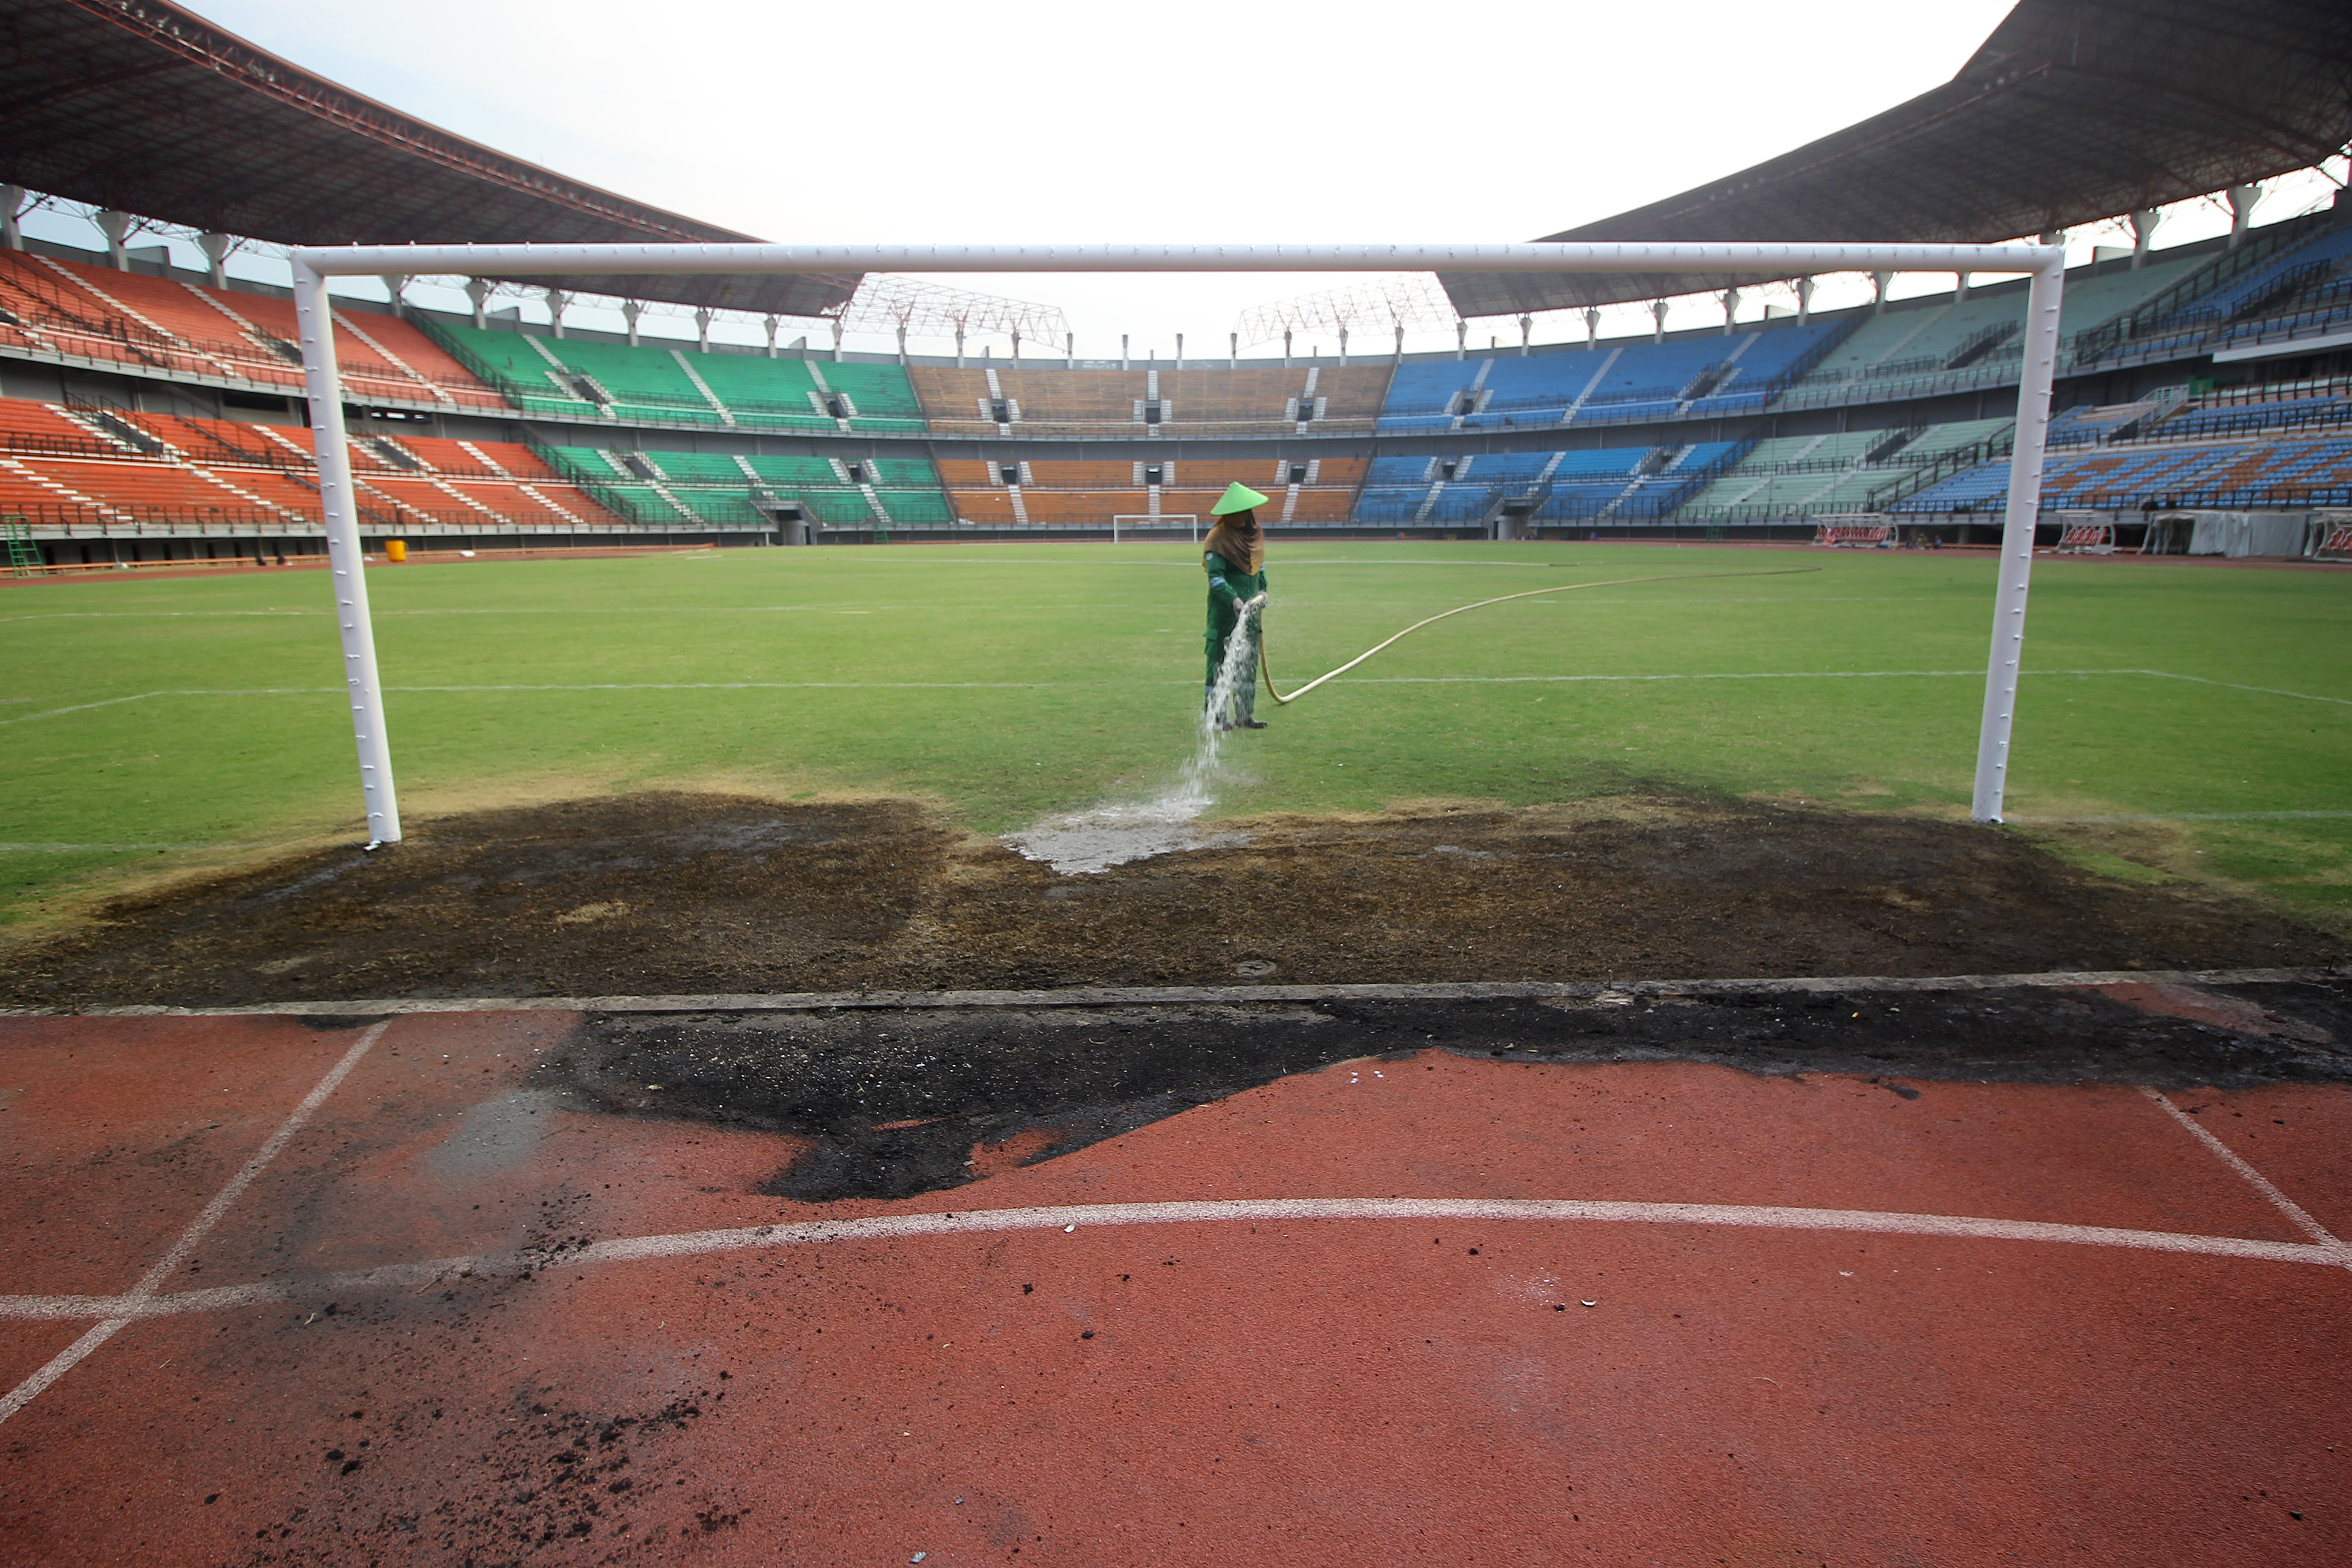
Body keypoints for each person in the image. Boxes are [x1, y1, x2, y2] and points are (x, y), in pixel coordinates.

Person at [1201, 482, 1271, 729]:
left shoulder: (1254, 535)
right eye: (1236, 513)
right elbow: (1216, 579)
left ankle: (1244, 715)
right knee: (1219, 664)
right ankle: (1216, 717)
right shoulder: (1218, 538)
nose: (1241, 517)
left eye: (1244, 512)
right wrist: (1234, 599)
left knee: (1247, 664)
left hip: (1251, 613)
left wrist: (1263, 590)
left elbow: (1258, 567)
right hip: (1225, 615)